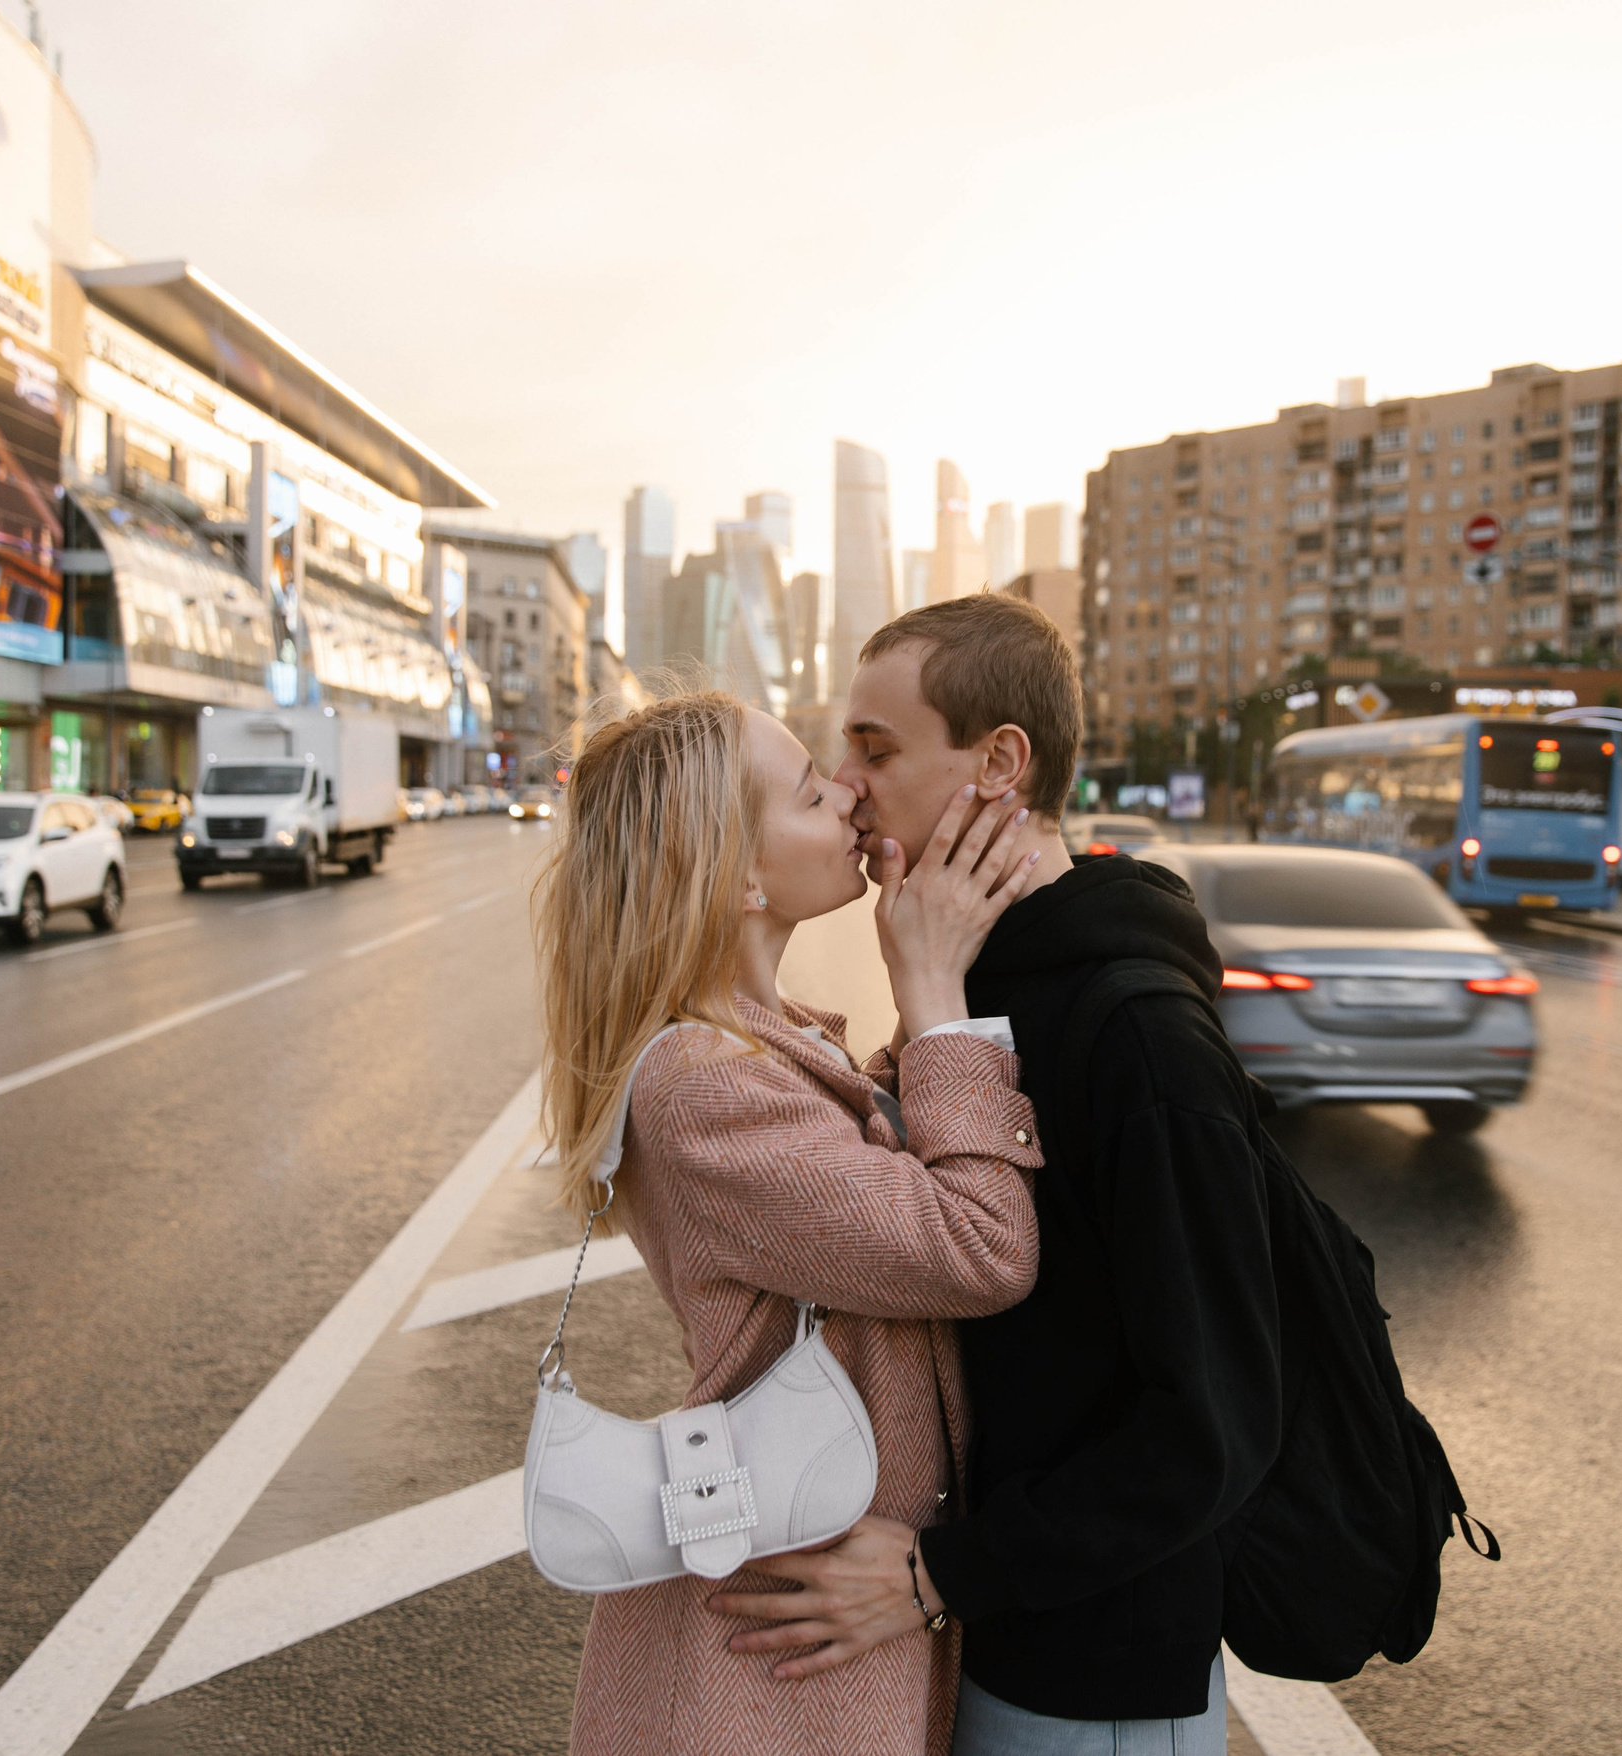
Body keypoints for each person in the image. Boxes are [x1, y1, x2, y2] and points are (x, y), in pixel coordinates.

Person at [728, 594, 1281, 1753]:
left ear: (998, 765)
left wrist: (940, 1572)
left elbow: (1215, 1424)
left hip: (1091, 1683)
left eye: (876, 749)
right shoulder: (977, 982)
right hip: (991, 1642)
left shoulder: (1136, 1032)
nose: (848, 786)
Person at [538, 690, 1047, 1756]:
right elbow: (980, 1247)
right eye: (814, 793)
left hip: (814, 1612)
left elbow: (872, 1171)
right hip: (770, 1674)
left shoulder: (764, 1047)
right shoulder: (705, 1084)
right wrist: (935, 996)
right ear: (736, 875)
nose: (850, 794)